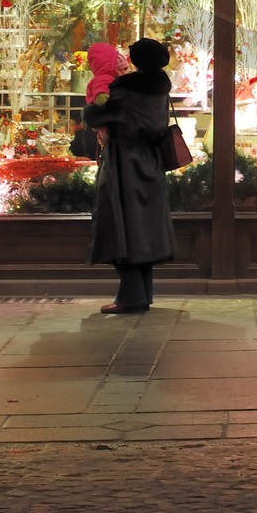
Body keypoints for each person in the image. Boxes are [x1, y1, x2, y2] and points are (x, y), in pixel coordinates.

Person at [83, 37, 176, 314]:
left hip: (126, 163)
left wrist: (92, 109)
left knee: (126, 228)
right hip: (152, 162)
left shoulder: (125, 89)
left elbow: (96, 115)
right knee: (144, 229)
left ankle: (131, 298)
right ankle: (142, 294)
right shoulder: (160, 88)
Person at [84, 40, 128, 105]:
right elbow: (102, 97)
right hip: (105, 113)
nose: (124, 72)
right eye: (121, 69)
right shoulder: (104, 79)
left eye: (124, 69)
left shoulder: (110, 79)